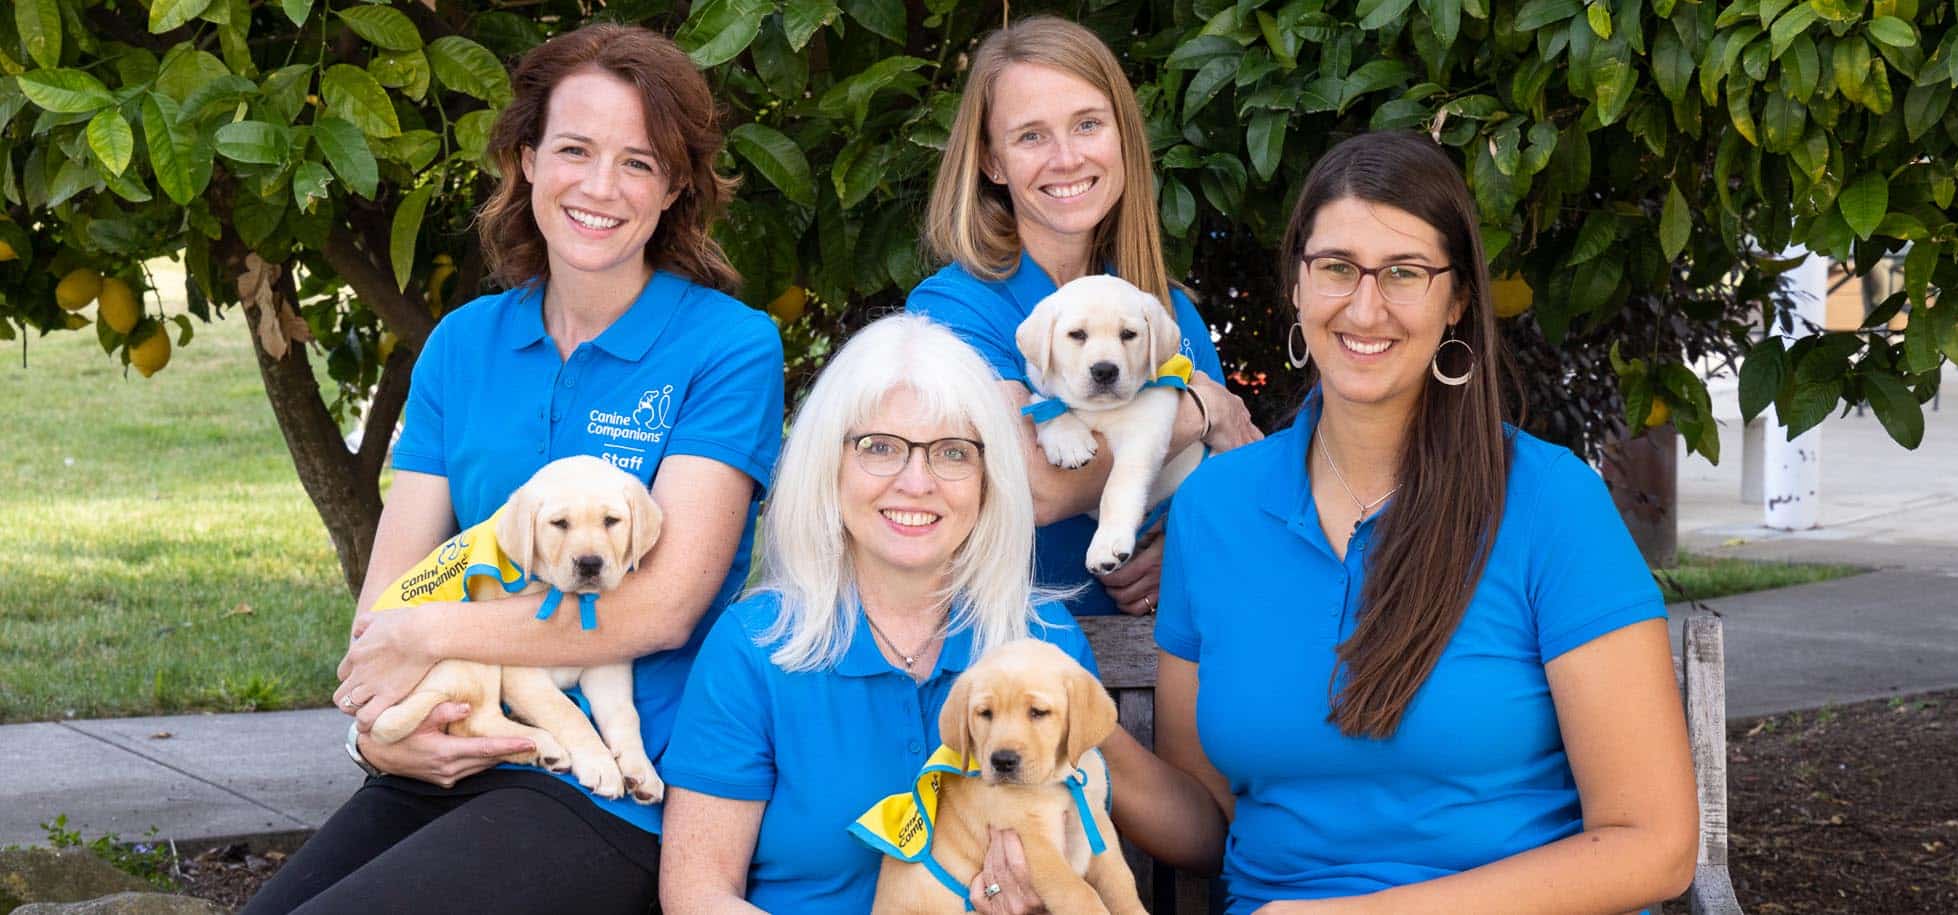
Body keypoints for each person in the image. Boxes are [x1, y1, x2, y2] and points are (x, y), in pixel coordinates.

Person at [242, 24, 783, 914]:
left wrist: (430, 635)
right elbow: (389, 606)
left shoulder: (728, 346)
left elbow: (659, 605)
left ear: (676, 185)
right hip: (456, 746)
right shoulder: (463, 345)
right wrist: (379, 740)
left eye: (639, 162)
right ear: (526, 158)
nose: (601, 187)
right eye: (574, 149)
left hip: (621, 787)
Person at [1145, 131, 1700, 913]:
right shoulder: (1217, 508)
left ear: (1458, 299)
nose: (1364, 306)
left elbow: (1656, 842)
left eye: (1404, 273)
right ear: (1297, 286)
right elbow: (1207, 818)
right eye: (1336, 267)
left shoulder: (1548, 501)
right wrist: (1070, 725)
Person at [657, 314, 1120, 914]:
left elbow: (1076, 859)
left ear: (990, 478)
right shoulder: (756, 644)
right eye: (880, 448)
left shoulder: (1042, 644)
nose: (916, 481)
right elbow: (698, 894)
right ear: (830, 465)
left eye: (952, 453)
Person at [905, 15, 1264, 618]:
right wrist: (1201, 409)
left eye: (1088, 125)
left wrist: (1178, 547)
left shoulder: (1164, 310)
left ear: (1123, 136)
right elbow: (1036, 487)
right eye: (1030, 137)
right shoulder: (954, 309)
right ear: (992, 163)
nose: (1067, 158)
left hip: (1166, 665)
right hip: (1008, 661)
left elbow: (1236, 484)